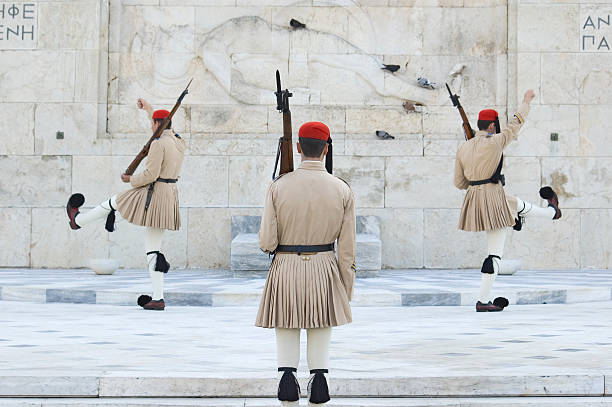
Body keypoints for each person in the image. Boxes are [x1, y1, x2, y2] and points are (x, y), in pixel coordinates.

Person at [255, 121, 356, 406]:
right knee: (321, 321)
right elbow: (347, 251)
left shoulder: (278, 187)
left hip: (286, 264)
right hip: (324, 264)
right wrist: (345, 290)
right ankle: (320, 379)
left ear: (298, 148)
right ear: (326, 149)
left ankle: (287, 378)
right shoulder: (342, 189)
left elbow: (267, 242)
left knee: (286, 321)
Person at [66, 98, 186, 311]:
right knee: (153, 250)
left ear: (158, 124)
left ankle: (78, 221)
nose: (151, 126)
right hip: (170, 195)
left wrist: (129, 179)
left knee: (116, 200)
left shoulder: (158, 144)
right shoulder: (178, 140)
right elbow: (162, 126)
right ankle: (157, 298)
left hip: (155, 193)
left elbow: (150, 174)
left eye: (153, 123)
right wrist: (149, 109)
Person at [454, 89, 562, 312]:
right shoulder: (495, 142)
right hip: (493, 197)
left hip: (474, 199)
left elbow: (459, 182)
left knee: (513, 203)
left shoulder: (463, 147)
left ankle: (551, 212)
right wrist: (526, 102)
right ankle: (483, 301)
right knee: (494, 254)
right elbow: (516, 124)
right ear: (492, 126)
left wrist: (477, 184)